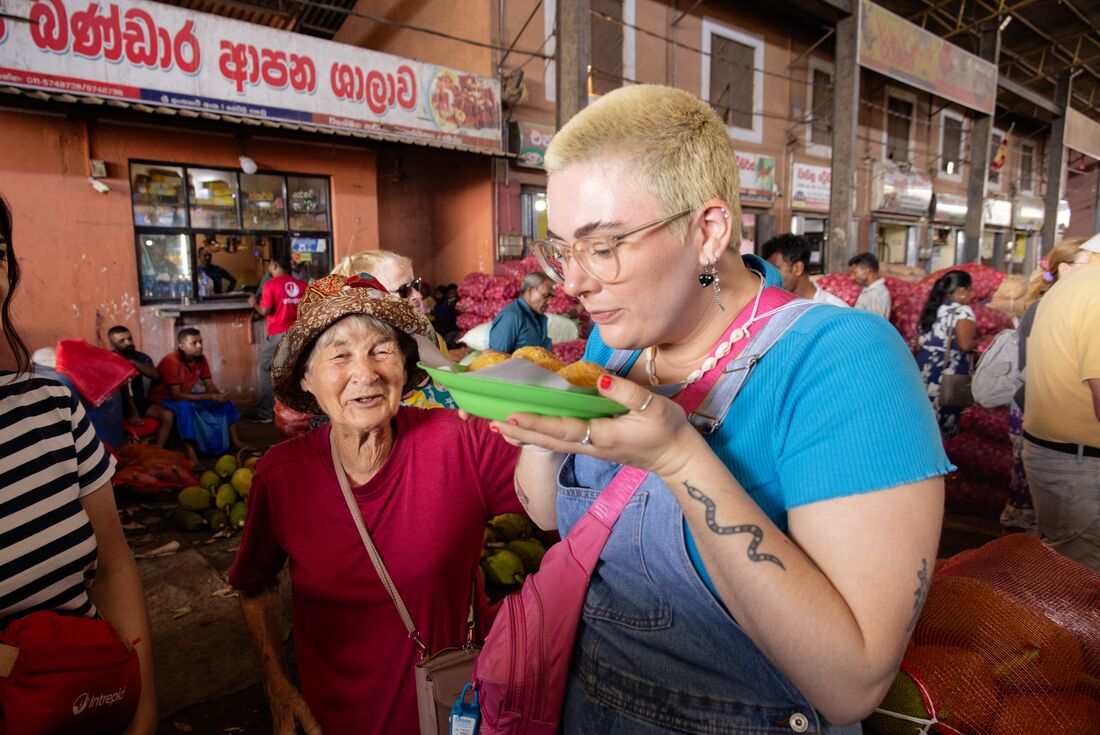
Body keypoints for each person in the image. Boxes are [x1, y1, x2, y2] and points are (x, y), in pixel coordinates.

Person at [498, 85, 948, 732]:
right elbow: (552, 516)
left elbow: (851, 682)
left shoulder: (843, 362)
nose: (574, 283)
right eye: (565, 249)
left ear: (708, 230)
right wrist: (532, 416)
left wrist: (681, 458)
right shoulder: (616, 341)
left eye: (603, 247)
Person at [229, 273, 522, 734]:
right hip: (335, 718)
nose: (365, 374)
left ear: (405, 368)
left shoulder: (460, 440)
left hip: (459, 708)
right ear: (306, 379)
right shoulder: (280, 476)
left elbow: (569, 498)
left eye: (382, 350)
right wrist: (276, 682)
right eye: (340, 355)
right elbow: (254, 584)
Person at [0, 196, 157, 734]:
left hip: (91, 704)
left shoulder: (50, 401)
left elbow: (113, 569)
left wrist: (142, 712)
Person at [1000, 237, 1094, 533]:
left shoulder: (1067, 292)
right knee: (1080, 568)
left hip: (1052, 443)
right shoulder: (1093, 296)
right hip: (1076, 458)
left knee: (1064, 557)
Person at [1022, 233, 1100, 571]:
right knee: (1082, 596)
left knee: (1067, 583)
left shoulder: (1078, 284)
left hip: (1064, 460)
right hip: (1081, 468)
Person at [333, 250, 456, 409]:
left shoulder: (432, 338)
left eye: (415, 285)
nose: (418, 295)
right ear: (369, 300)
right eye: (405, 290)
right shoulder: (360, 365)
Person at [148, 328, 245, 458]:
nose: (199, 346)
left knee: (225, 402)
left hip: (185, 395)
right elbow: (176, 395)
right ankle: (191, 453)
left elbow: (209, 384)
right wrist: (210, 396)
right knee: (186, 408)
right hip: (163, 399)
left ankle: (236, 442)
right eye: (194, 343)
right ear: (182, 346)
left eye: (200, 341)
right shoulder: (171, 361)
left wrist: (219, 396)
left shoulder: (200, 359)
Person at [913, 270, 976, 439]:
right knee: (943, 429)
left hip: (923, 374)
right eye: (970, 290)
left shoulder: (932, 309)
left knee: (922, 424)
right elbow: (965, 344)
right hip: (946, 378)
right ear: (961, 291)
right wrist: (982, 342)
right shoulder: (963, 312)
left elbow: (919, 342)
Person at [247, 257, 306, 423]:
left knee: (266, 367)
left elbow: (265, 311)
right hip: (300, 333)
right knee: (295, 370)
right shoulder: (302, 285)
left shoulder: (270, 285)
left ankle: (266, 413)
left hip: (279, 334)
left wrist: (253, 303)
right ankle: (297, 410)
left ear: (274, 266)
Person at [108, 325, 175, 447]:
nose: (128, 343)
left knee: (168, 415)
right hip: (117, 403)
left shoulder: (140, 357)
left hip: (138, 400)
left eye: (130, 338)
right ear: (113, 344)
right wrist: (132, 411)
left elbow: (156, 375)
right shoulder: (109, 359)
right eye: (122, 341)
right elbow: (123, 387)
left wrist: (133, 362)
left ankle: (156, 452)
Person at [761, 234, 849, 306]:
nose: (768, 277)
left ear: (798, 268)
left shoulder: (835, 309)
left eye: (775, 269)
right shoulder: (768, 305)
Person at [488, 271, 555, 353]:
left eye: (552, 297)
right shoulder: (511, 317)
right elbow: (496, 359)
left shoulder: (539, 317)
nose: (549, 302)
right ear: (530, 290)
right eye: (546, 295)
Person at [848, 252, 891, 319]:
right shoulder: (869, 290)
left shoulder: (877, 294)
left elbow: (874, 326)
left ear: (866, 271)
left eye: (854, 273)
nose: (852, 277)